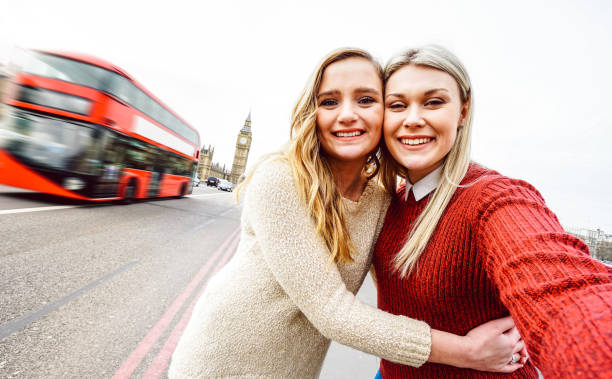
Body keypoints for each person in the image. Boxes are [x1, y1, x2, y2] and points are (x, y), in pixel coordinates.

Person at [169, 48, 526, 379]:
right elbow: (332, 312)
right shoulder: (280, 178)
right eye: (329, 101)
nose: (347, 114)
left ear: (385, 111)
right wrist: (467, 351)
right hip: (219, 362)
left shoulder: (380, 197)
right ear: (313, 111)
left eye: (366, 99)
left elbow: (409, 274)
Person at [373, 44, 612, 378]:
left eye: (434, 102)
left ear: (463, 111)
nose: (413, 119)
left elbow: (567, 292)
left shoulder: (494, 198)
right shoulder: (392, 202)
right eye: (397, 105)